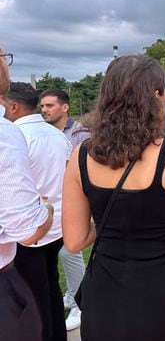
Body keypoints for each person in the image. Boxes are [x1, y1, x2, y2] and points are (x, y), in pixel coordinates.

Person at [62, 55, 165, 340]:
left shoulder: (80, 156)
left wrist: (118, 224)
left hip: (105, 300)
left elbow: (74, 240)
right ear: (157, 94)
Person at [1, 82, 72, 341]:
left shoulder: (14, 135)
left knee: (32, 294)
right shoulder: (58, 136)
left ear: (13, 106)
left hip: (30, 226)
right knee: (50, 285)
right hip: (56, 223)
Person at [1, 47, 55, 341]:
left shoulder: (17, 134)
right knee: (45, 292)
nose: (6, 65)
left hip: (33, 237)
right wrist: (47, 211)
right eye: (3, 57)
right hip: (37, 231)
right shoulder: (9, 134)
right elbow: (26, 229)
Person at [40, 88, 90, 331]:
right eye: (42, 106)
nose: (44, 110)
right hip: (55, 200)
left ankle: (81, 301)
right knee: (61, 252)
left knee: (70, 252)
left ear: (64, 107)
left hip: (76, 200)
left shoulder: (80, 134)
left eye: (49, 106)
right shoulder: (45, 133)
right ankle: (73, 294)